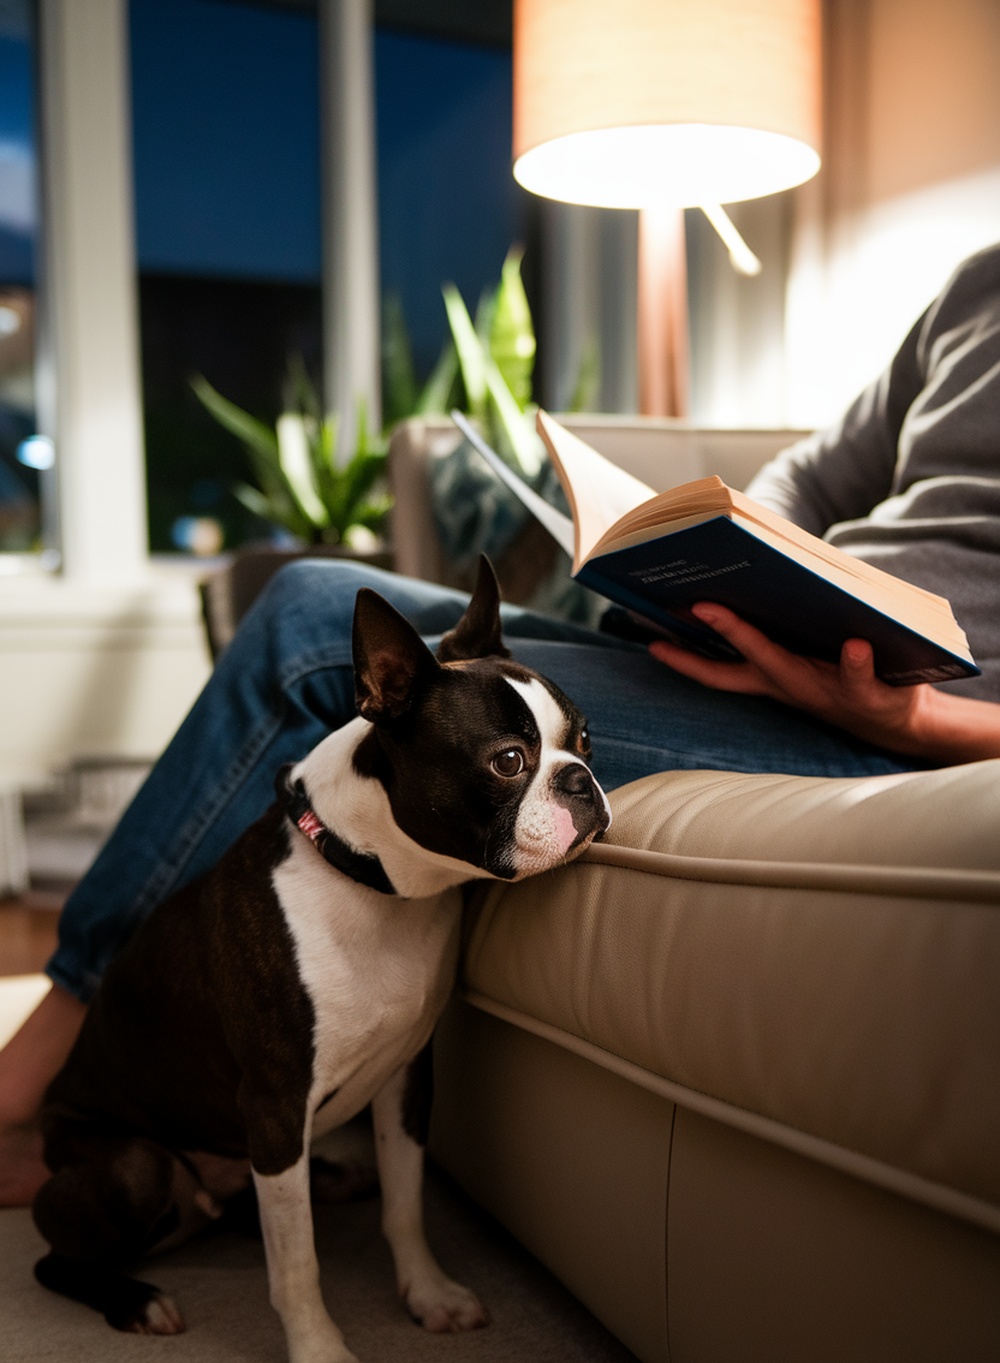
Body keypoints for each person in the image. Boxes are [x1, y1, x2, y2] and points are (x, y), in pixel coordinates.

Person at [3, 245, 1000, 1209]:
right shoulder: (977, 282)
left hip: (904, 719)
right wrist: (765, 567)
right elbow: (811, 480)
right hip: (774, 650)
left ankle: (47, 1074)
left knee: (316, 645)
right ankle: (104, 1064)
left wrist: (916, 717)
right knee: (311, 599)